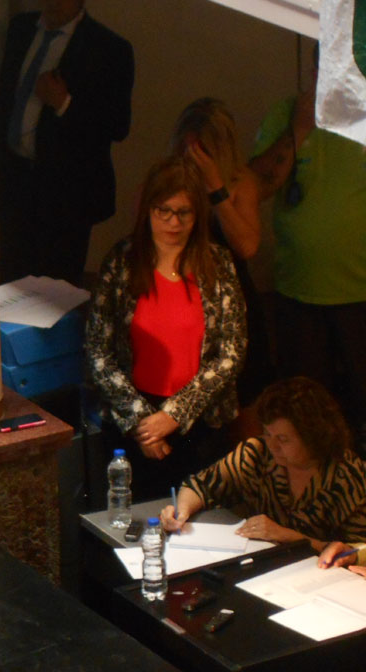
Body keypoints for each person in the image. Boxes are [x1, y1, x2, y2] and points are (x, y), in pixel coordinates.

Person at [85, 156, 246, 499]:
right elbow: (98, 350)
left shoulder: (218, 263)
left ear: (198, 214)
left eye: (184, 212)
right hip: (134, 421)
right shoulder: (122, 261)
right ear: (148, 209)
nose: (174, 222)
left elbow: (231, 353)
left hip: (201, 423)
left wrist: (175, 414)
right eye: (164, 211)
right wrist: (144, 424)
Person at [248, 48, 366, 446]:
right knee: (306, 416)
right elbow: (256, 187)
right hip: (298, 293)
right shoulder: (287, 113)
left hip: (361, 294)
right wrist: (298, 130)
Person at [0, 0, 133, 286]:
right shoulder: (20, 30)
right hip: (15, 182)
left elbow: (117, 126)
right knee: (8, 279)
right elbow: (4, 99)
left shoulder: (109, 48)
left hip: (66, 194)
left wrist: (64, 103)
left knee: (56, 289)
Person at [161, 377, 366, 551]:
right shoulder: (256, 453)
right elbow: (201, 485)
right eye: (267, 434)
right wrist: (182, 510)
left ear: (312, 436)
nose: (272, 445)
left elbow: (357, 551)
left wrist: (288, 536)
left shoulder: (348, 475)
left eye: (283, 439)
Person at [168, 98, 271, 414]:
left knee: (245, 399)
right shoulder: (168, 181)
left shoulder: (242, 182)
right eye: (186, 148)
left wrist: (215, 188)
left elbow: (247, 246)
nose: (192, 156)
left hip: (232, 305)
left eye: (201, 149)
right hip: (185, 302)